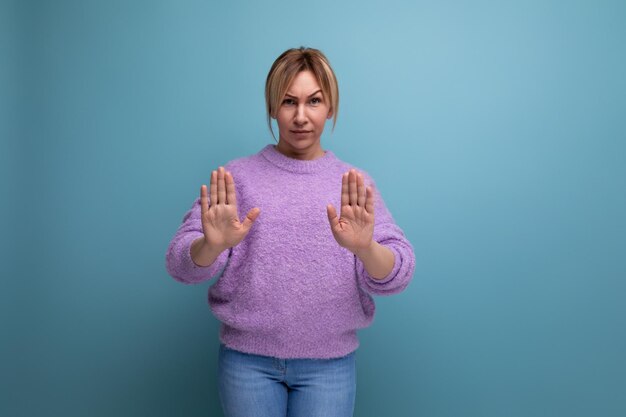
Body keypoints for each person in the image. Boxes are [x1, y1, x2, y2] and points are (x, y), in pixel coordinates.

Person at [165, 46, 416, 417]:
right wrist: (209, 246)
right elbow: (180, 264)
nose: (301, 117)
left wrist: (366, 249)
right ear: (271, 107)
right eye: (288, 102)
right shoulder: (237, 178)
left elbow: (398, 273)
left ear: (330, 106)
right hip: (246, 362)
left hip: (329, 365)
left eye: (314, 101)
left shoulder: (353, 183)